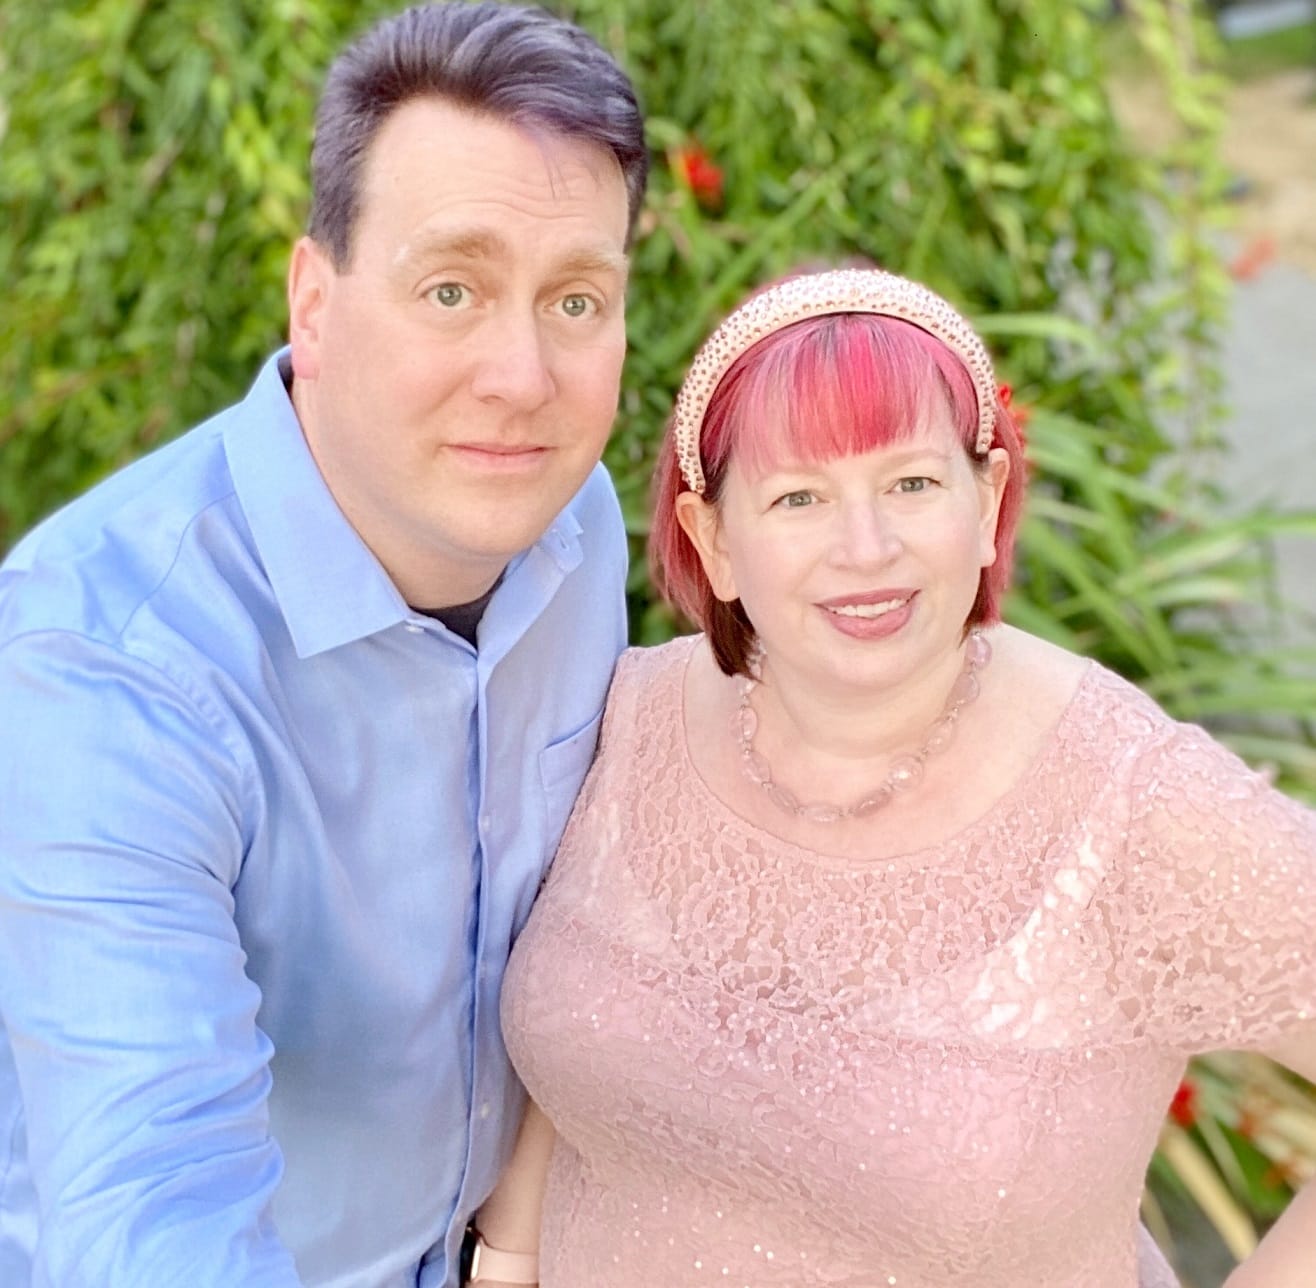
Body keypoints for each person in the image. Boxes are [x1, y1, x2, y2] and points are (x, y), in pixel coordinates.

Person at [491, 267, 1316, 1286]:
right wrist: (505, 1261)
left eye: (911, 484)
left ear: (987, 500)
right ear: (714, 541)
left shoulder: (1125, 799)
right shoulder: (628, 714)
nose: (865, 547)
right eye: (798, 496)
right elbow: (573, 1062)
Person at [0, 4, 646, 1286]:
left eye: (576, 299)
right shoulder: (104, 663)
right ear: (315, 299)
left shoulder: (575, 526)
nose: (522, 376)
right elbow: (153, 1208)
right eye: (451, 290)